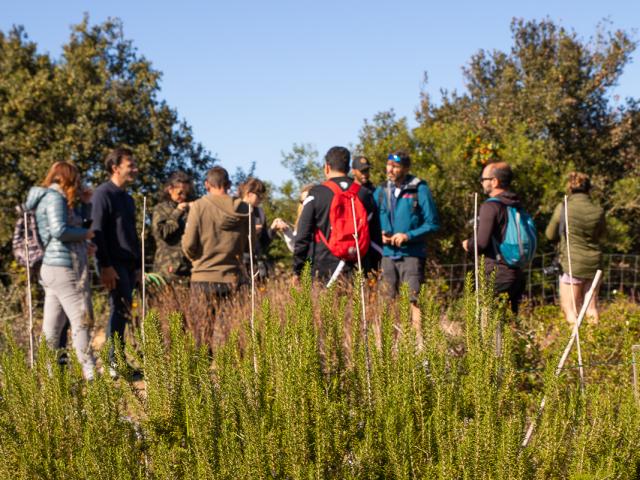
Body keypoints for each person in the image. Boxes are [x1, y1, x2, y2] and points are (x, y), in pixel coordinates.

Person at [25, 161, 96, 379]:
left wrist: (85, 204)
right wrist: (84, 236)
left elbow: (78, 224)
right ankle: (91, 374)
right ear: (66, 178)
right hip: (63, 266)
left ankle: (48, 379)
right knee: (81, 319)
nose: (79, 183)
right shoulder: (54, 198)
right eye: (76, 178)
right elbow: (59, 230)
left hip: (53, 267)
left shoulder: (55, 199)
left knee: (52, 328)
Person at [375, 151, 439, 345]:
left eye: (395, 166)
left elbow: (432, 223)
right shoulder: (381, 190)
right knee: (386, 301)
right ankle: (388, 344)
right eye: (388, 165)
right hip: (388, 255)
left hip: (412, 254)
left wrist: (408, 235)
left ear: (406, 168)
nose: (390, 169)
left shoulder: (419, 189)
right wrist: (379, 234)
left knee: (414, 299)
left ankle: (418, 344)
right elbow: (370, 218)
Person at [293, 146, 376, 282]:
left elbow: (303, 236)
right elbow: (374, 236)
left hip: (324, 270)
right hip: (358, 267)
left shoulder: (316, 194)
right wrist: (371, 270)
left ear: (327, 167)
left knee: (326, 304)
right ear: (349, 169)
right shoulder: (365, 194)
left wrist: (298, 270)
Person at [91, 147, 141, 366]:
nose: (135, 169)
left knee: (125, 309)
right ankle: (114, 363)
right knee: (119, 308)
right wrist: (105, 265)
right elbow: (97, 232)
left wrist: (138, 266)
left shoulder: (128, 199)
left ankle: (118, 360)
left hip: (130, 264)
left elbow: (132, 235)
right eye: (130, 165)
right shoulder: (103, 194)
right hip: (113, 262)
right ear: (115, 167)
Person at [182, 166, 250, 315]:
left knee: (202, 334)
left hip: (203, 277)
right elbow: (249, 245)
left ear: (207, 184)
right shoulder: (244, 208)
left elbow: (189, 244)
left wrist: (195, 260)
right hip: (233, 278)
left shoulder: (199, 206)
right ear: (229, 184)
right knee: (230, 335)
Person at [462, 161, 526, 314]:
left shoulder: (491, 206)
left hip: (496, 273)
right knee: (510, 325)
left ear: (495, 181)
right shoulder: (516, 204)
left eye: (484, 179)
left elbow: (481, 243)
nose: (482, 182)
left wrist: (468, 244)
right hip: (517, 273)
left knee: (490, 325)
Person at [545, 172, 606, 324]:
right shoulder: (598, 210)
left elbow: (550, 234)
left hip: (572, 264)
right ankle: (594, 345)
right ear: (589, 189)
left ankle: (575, 343)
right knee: (591, 308)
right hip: (594, 264)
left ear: (570, 187)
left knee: (571, 309)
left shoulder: (564, 207)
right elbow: (602, 235)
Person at [152, 171, 194, 284]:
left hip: (190, 270)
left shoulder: (191, 208)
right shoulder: (161, 209)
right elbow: (164, 233)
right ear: (170, 189)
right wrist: (178, 212)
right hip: (168, 271)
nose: (183, 197)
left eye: (186, 193)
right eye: (180, 193)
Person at [352, 155, 382, 274]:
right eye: (362, 171)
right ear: (353, 171)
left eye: (367, 170)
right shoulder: (349, 191)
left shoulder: (375, 191)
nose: (365, 174)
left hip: (374, 245)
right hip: (356, 246)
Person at [239, 177, 273, 279]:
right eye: (259, 196)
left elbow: (264, 242)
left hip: (258, 264)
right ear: (249, 193)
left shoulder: (260, 212)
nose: (261, 199)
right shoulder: (236, 210)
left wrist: (273, 229)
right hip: (242, 263)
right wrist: (250, 231)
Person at [271, 184, 314, 253]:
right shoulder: (301, 221)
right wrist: (287, 231)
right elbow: (296, 247)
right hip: (308, 260)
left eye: (308, 200)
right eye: (302, 201)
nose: (304, 204)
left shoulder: (324, 219)